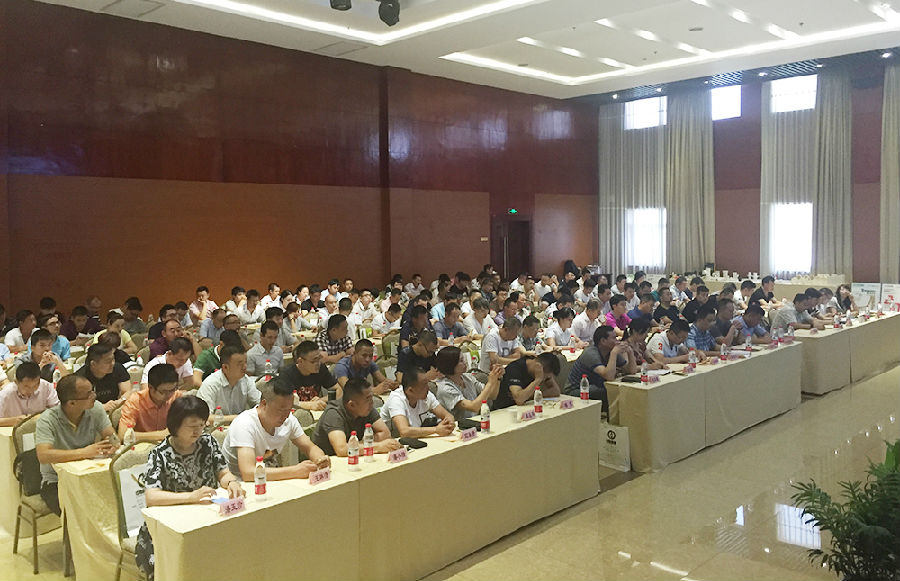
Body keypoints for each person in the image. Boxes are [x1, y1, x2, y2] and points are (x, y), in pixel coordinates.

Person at [136, 395, 244, 581]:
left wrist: (231, 482)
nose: (198, 431)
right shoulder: (160, 454)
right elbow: (151, 496)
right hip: (171, 525)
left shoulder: (208, 442)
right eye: (192, 427)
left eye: (201, 425)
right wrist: (191, 496)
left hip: (207, 517)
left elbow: (223, 473)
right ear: (176, 425)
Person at [35, 374, 116, 515]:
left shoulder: (95, 408)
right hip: (57, 481)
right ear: (72, 403)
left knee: (112, 504)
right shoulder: (47, 420)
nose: (94, 396)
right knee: (78, 514)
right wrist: (84, 452)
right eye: (88, 394)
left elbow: (112, 436)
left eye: (93, 391)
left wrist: (113, 444)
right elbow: (43, 455)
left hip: (89, 475)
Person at [223, 380, 329, 481]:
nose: (285, 415)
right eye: (280, 410)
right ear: (264, 404)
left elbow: (310, 447)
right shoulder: (244, 423)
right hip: (239, 485)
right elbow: (248, 473)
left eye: (289, 409)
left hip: (271, 480)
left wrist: (320, 459)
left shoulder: (289, 419)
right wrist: (295, 471)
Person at [312, 378, 400, 456]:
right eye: (368, 399)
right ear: (352, 405)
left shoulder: (367, 408)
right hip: (330, 461)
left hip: (355, 456)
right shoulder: (333, 413)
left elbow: (385, 434)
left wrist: (360, 445)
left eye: (371, 397)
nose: (372, 402)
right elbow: (342, 449)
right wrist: (378, 446)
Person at [565, 326, 628, 413]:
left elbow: (630, 371)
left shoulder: (610, 351)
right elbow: (609, 376)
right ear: (603, 341)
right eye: (614, 338)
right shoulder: (590, 353)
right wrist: (614, 353)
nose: (617, 341)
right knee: (611, 392)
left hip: (595, 386)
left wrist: (629, 352)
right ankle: (614, 417)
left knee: (622, 389)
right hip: (577, 390)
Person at [379, 367, 455, 438]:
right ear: (410, 390)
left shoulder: (426, 394)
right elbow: (404, 432)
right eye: (424, 385)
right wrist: (436, 430)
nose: (428, 388)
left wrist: (449, 423)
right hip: (391, 441)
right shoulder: (396, 399)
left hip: (416, 439)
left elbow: (448, 416)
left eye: (427, 383)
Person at [434, 347, 503, 421]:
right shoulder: (445, 388)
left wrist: (497, 377)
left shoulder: (468, 377)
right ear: (451, 365)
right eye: (461, 361)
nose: (465, 362)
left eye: (464, 359)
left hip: (474, 422)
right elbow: (474, 407)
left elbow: (492, 396)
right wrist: (490, 382)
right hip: (455, 425)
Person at [118, 363, 183, 443]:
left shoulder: (177, 397)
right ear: (151, 387)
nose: (169, 395)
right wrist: (159, 435)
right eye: (163, 391)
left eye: (172, 390)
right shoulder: (135, 401)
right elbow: (123, 435)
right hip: (142, 445)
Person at [196, 345, 258, 422]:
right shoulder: (210, 384)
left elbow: (259, 404)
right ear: (225, 367)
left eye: (245, 362)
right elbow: (203, 417)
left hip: (240, 424)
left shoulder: (246, 380)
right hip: (216, 427)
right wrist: (238, 418)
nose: (244, 367)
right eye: (240, 364)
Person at [276, 341, 340, 410]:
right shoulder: (287, 373)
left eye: (319, 359)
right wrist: (309, 405)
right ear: (300, 361)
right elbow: (282, 401)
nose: (318, 363)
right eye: (314, 361)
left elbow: (339, 390)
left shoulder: (321, 369)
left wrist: (322, 400)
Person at [493, 352, 561, 409]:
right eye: (546, 377)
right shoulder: (515, 368)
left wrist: (529, 396)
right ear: (539, 367)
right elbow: (519, 399)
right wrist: (537, 380)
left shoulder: (544, 373)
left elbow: (556, 392)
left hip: (525, 408)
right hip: (504, 409)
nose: (545, 379)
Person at [0, 362, 60, 426]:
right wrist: (13, 420)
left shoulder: (46, 386)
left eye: (35, 385)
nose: (31, 390)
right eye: (26, 386)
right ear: (16, 382)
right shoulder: (5, 394)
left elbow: (58, 411)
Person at [76, 342, 131, 411]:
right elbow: (79, 405)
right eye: (108, 361)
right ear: (93, 364)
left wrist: (119, 401)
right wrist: (102, 407)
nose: (112, 363)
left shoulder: (117, 368)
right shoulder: (80, 378)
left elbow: (127, 391)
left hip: (114, 409)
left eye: (113, 359)